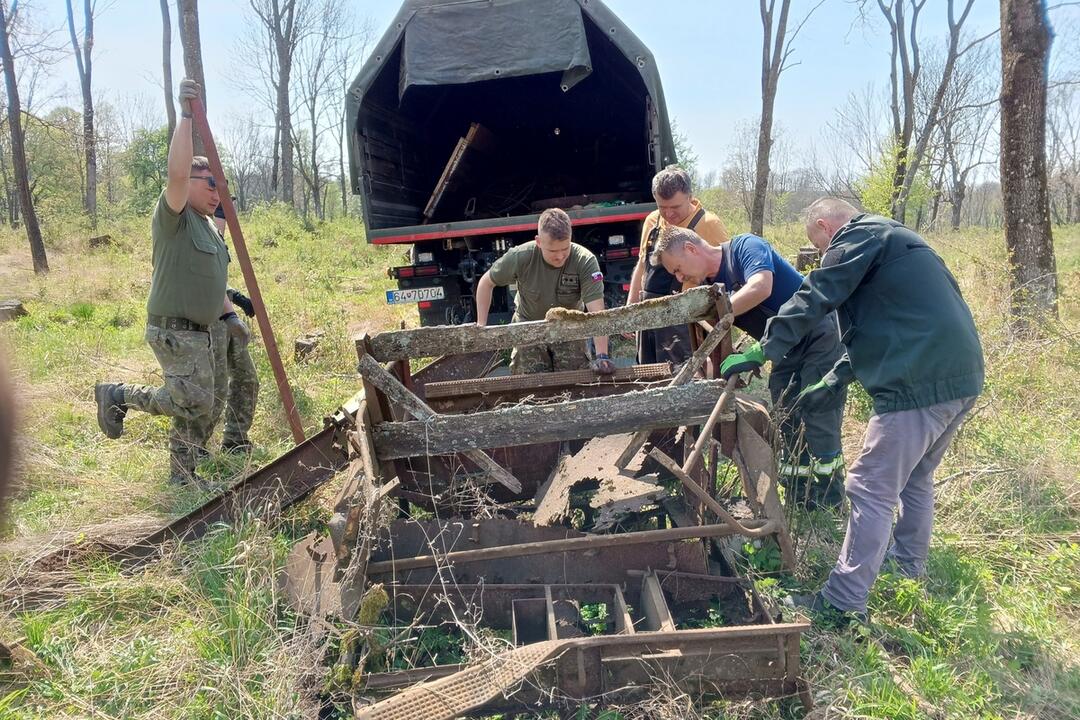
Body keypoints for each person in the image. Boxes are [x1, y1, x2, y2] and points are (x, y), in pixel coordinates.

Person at [720, 198, 984, 625]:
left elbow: (816, 295)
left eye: (819, 247)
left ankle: (842, 604)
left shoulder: (857, 237)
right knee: (915, 477)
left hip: (918, 381)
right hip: (960, 376)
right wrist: (840, 374)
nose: (823, 254)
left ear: (826, 227)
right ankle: (907, 568)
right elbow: (892, 319)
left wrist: (761, 348)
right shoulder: (900, 240)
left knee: (869, 488)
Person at [94, 78, 244, 485]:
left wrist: (229, 317)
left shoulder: (210, 229)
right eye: (209, 183)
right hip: (174, 330)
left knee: (209, 404)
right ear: (190, 185)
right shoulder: (174, 216)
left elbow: (214, 278)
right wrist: (184, 115)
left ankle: (183, 474)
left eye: (221, 185)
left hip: (204, 330)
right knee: (193, 400)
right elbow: (177, 175)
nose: (217, 192)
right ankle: (118, 394)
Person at [650, 225, 846, 504]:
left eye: (678, 269)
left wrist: (719, 315)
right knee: (786, 412)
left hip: (819, 333)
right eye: (675, 275)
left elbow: (760, 287)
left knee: (818, 408)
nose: (680, 277)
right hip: (784, 347)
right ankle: (798, 494)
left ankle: (831, 496)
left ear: (691, 249)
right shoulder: (711, 287)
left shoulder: (744, 248)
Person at [475, 208, 615, 375]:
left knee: (576, 384)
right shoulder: (521, 256)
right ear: (539, 242)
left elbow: (596, 311)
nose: (560, 256)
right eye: (553, 251)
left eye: (565, 249)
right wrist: (481, 328)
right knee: (531, 389)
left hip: (569, 328)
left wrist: (602, 355)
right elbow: (486, 282)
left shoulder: (584, 260)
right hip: (528, 326)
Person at [627, 165, 729, 365]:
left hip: (686, 323)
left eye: (675, 207)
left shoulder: (708, 224)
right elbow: (641, 265)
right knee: (649, 375)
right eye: (662, 207)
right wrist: (631, 309)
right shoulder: (652, 221)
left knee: (683, 379)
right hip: (648, 317)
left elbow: (725, 275)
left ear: (690, 196)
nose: (668, 214)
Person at [210, 202, 260, 454]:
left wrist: (234, 296)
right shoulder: (186, 228)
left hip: (225, 317)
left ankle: (235, 440)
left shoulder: (213, 233)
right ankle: (193, 448)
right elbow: (201, 279)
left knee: (246, 379)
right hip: (205, 320)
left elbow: (215, 276)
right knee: (213, 388)